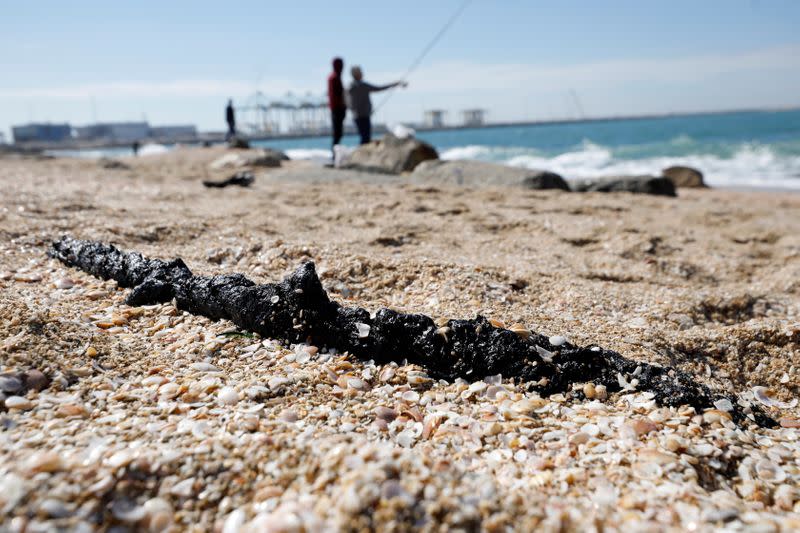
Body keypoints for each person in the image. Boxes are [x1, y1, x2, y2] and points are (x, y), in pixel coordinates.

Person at [347, 66, 407, 144]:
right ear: (356, 74)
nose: (362, 73)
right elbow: (379, 88)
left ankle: (363, 153)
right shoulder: (359, 86)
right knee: (365, 137)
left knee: (365, 137)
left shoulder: (351, 87)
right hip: (362, 115)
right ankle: (363, 154)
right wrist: (395, 84)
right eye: (360, 72)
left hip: (359, 115)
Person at [327, 57, 347, 157]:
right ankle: (334, 156)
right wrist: (343, 106)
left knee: (337, 134)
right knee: (337, 134)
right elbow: (338, 95)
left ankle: (335, 155)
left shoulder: (333, 77)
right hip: (337, 109)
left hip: (336, 109)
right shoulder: (335, 78)